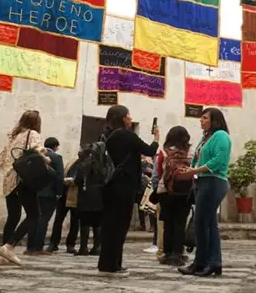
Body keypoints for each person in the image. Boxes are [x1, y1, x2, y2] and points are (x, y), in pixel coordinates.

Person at [97, 105, 159, 277]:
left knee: (109, 226)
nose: (131, 118)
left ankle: (105, 263)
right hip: (123, 186)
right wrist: (156, 138)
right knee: (119, 226)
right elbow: (149, 150)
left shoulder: (105, 135)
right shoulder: (126, 135)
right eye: (129, 115)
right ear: (123, 118)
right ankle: (113, 265)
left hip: (108, 185)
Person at [178, 108, 231, 278]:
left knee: (202, 223)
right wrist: (190, 170)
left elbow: (218, 160)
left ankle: (203, 261)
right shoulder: (205, 137)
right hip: (202, 181)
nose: (201, 121)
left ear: (214, 120)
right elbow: (198, 158)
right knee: (208, 224)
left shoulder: (221, 135)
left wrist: (195, 170)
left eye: (205, 118)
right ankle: (212, 262)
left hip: (213, 181)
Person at [0, 110, 45, 266]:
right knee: (34, 215)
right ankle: (9, 247)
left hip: (8, 180)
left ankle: (4, 255)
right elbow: (38, 151)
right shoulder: (32, 134)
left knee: (13, 216)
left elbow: (0, 160)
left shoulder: (13, 137)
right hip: (23, 179)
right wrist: (47, 158)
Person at [157, 126, 192, 267]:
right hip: (184, 191)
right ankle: (178, 254)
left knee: (168, 223)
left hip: (165, 191)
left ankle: (167, 253)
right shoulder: (190, 152)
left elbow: (158, 172)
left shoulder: (164, 151)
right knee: (180, 223)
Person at [27, 137, 64, 255]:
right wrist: (59, 192)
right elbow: (59, 176)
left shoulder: (37, 156)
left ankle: (30, 247)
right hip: (49, 192)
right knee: (44, 218)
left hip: (35, 191)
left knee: (34, 217)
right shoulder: (56, 157)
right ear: (55, 146)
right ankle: (38, 247)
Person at [74, 144, 103, 256]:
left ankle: (83, 247)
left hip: (85, 197)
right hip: (99, 197)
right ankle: (97, 247)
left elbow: (77, 180)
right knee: (97, 223)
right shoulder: (102, 165)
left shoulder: (83, 165)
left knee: (85, 223)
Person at [47, 156, 79, 253]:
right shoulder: (72, 161)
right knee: (58, 220)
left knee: (75, 221)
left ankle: (70, 244)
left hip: (76, 196)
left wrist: (70, 181)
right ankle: (53, 243)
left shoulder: (87, 164)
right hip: (64, 195)